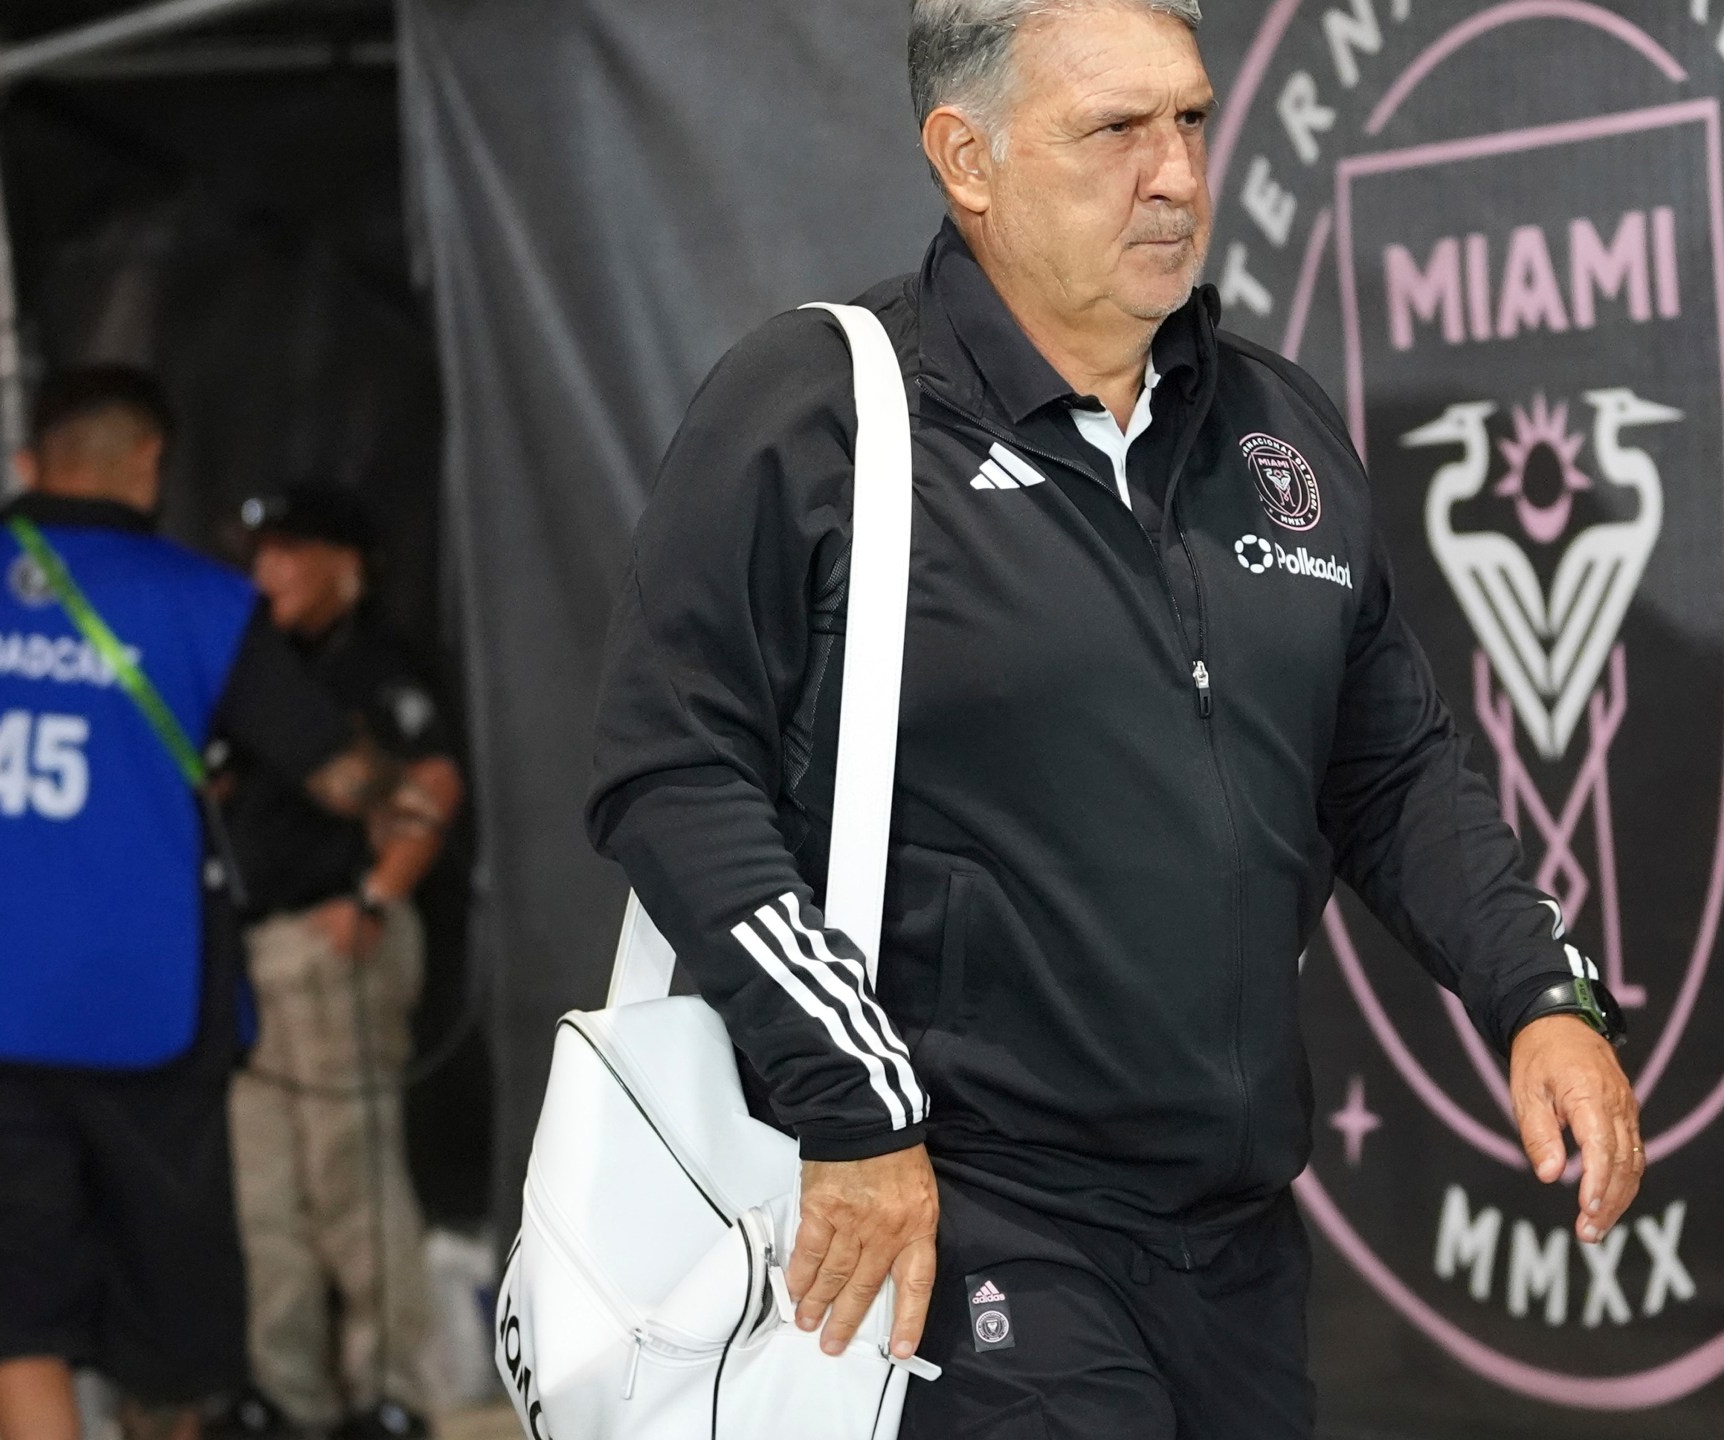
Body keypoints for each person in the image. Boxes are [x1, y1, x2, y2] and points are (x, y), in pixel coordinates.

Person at [586, 1, 1643, 1433]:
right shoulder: (821, 410)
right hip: (970, 1216)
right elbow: (671, 766)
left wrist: (1543, 996)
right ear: (967, 157)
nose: (1176, 175)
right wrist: (852, 1101)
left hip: (1238, 1236)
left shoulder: (1276, 426)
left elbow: (1390, 767)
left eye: (1192, 119)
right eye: (1115, 130)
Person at [0, 367, 402, 1440]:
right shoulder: (200, 600)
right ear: (148, 462)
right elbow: (336, 773)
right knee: (171, 1317)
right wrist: (399, 796)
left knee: (16, 1305)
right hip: (142, 1013)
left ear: (31, 459)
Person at [219, 485, 464, 1440]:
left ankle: (389, 1395)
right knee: (263, 1195)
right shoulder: (255, 665)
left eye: (288, 551)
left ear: (341, 563)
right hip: (249, 951)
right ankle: (285, 1399)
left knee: (350, 1184)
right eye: (260, 551)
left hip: (331, 950)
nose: (266, 570)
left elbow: (432, 787)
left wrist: (375, 896)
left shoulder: (377, 667)